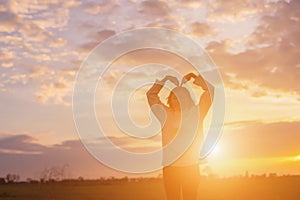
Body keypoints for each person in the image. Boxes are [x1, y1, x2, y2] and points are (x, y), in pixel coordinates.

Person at [146, 72, 214, 200]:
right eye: (174, 97)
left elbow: (210, 91)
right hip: (171, 169)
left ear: (187, 98)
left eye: (181, 97)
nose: (177, 100)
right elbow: (151, 95)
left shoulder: (197, 113)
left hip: (191, 168)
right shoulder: (165, 114)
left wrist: (196, 78)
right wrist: (164, 80)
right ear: (170, 99)